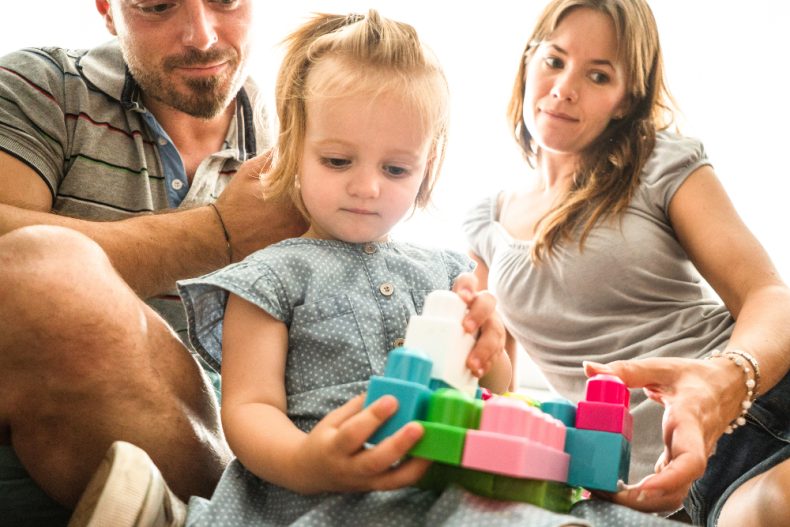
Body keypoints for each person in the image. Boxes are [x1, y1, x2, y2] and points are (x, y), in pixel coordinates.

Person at [70, 11, 689, 527]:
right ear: (292, 150)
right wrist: (311, 461)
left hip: (451, 471)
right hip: (330, 484)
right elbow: (250, 410)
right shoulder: (269, 277)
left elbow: (495, 398)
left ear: (427, 167)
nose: (366, 187)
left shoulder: (447, 270)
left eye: (396, 170)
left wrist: (491, 346)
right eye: (338, 160)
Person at [464, 0, 790, 525]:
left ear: (625, 100)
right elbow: (497, 385)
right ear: (527, 61)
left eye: (598, 75)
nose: (565, 87)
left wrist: (723, 386)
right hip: (662, 481)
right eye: (554, 60)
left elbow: (769, 296)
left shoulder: (662, 163)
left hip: (758, 407)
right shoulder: (485, 224)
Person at [0, 1, 306, 525]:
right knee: (44, 275)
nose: (203, 36)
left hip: (247, 450)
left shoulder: (309, 141)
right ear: (107, 10)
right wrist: (217, 234)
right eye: (157, 6)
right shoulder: (42, 88)